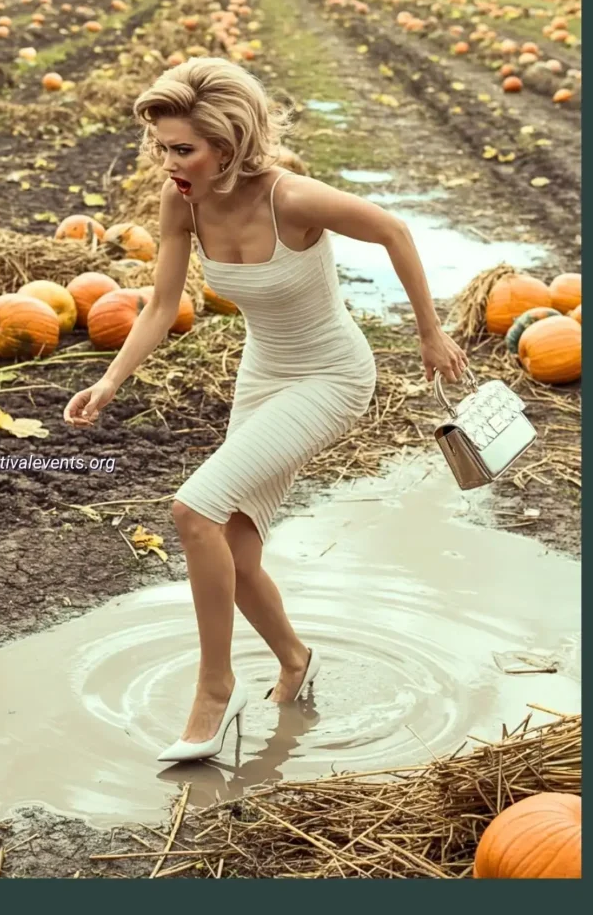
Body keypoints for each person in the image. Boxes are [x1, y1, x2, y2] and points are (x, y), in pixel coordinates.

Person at [64, 57, 468, 764]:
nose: (168, 163)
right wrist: (109, 381)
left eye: (182, 149)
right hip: (264, 372)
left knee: (192, 512)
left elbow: (395, 232)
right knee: (236, 548)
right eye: (162, 148)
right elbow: (160, 304)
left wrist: (430, 334)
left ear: (227, 143)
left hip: (332, 375)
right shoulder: (180, 201)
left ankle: (214, 691)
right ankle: (294, 658)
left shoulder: (293, 199)